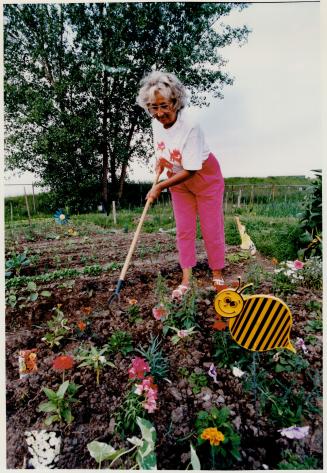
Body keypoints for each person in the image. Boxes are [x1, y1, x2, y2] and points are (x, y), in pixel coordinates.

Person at [136, 70, 225, 299]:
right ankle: (186, 278)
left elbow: (192, 168)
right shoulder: (156, 124)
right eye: (153, 107)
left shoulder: (191, 125)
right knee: (184, 230)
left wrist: (159, 187)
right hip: (178, 178)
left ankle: (217, 272)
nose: (159, 113)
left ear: (175, 101)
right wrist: (160, 163)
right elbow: (164, 150)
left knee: (210, 227)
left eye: (164, 105)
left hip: (204, 177)